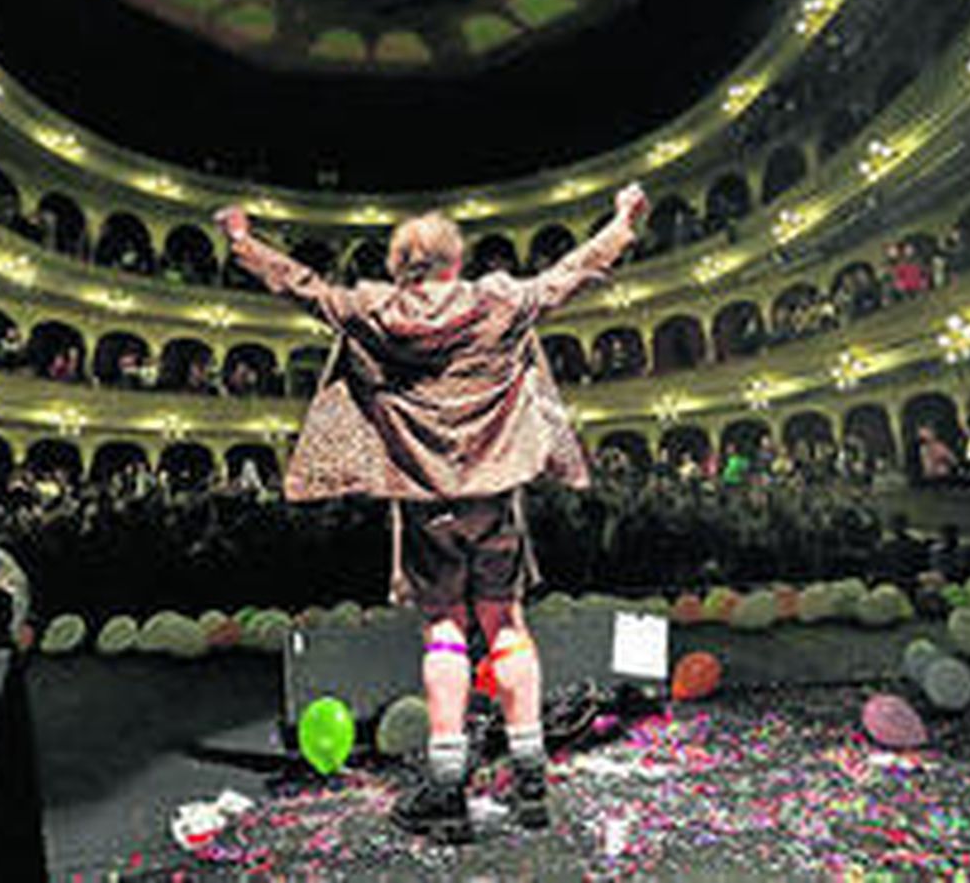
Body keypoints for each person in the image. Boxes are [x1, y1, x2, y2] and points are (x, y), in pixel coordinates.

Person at [216, 183, 648, 843]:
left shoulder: (376, 309)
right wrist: (621, 225)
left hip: (426, 510)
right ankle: (531, 773)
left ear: (399, 266)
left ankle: (447, 784)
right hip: (495, 499)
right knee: (506, 623)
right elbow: (571, 275)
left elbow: (301, 287)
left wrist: (244, 243)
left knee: (445, 628)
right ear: (455, 261)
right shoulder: (498, 301)